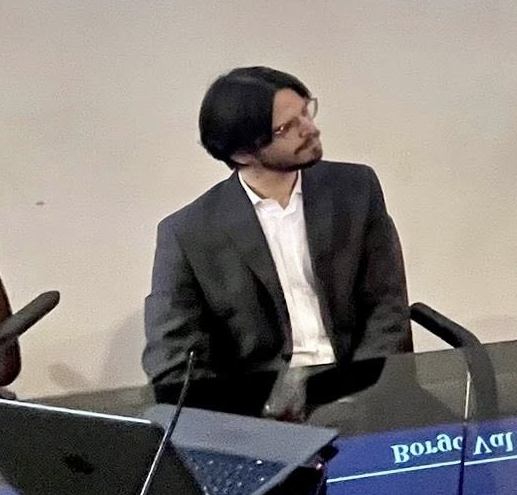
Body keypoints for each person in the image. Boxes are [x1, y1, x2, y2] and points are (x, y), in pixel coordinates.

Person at [142, 67, 412, 389]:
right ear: (243, 153)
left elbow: (388, 310)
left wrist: (361, 393)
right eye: (287, 127)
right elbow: (173, 357)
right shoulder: (188, 233)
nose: (310, 129)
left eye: (306, 112)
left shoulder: (355, 189)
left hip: (362, 384)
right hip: (258, 402)